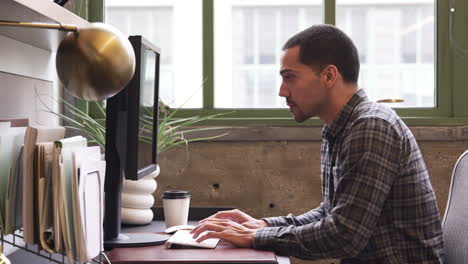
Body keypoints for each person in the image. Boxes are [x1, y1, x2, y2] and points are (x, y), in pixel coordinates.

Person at [190, 24, 444, 263]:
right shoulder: (339, 128)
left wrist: (255, 238)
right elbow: (331, 213)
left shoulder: (371, 127)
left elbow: (344, 235)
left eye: (290, 77)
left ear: (329, 75)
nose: (282, 91)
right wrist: (265, 226)